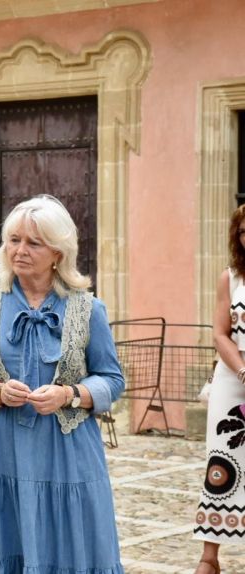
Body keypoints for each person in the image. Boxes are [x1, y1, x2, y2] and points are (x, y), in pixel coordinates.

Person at [0, 194, 125, 573]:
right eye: (14, 240)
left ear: (58, 253)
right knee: (2, 540)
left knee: (68, 546)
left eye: (33, 243)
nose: (20, 250)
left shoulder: (87, 309)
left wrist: (69, 395)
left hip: (66, 455)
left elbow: (112, 380)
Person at [192, 204, 245, 574]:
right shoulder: (230, 278)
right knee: (221, 464)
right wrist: (242, 370)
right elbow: (220, 334)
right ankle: (209, 558)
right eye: (242, 232)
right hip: (233, 379)